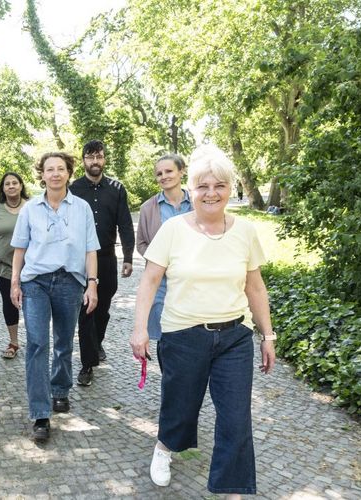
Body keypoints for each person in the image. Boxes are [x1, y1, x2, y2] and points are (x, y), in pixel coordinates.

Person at [130, 144, 277, 498]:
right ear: (191, 190)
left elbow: (255, 287)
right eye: (203, 187)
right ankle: (165, 449)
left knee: (236, 416)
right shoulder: (173, 230)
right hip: (183, 334)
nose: (211, 194)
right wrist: (139, 329)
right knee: (181, 405)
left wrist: (267, 335)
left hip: (234, 336)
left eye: (220, 186)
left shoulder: (245, 231)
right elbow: (149, 281)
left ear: (229, 189)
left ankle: (232, 487)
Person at [11, 152, 100, 442]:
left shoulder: (82, 208)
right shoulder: (30, 209)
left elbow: (90, 249)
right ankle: (40, 414)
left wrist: (92, 284)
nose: (55, 174)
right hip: (35, 281)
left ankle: (60, 389)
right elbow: (20, 249)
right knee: (37, 343)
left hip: (70, 281)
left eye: (61, 169)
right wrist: (15, 282)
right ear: (42, 174)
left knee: (63, 341)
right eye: (50, 169)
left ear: (69, 173)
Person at [69, 140, 135, 386]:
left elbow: (125, 224)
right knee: (86, 310)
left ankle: (96, 344)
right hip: (80, 259)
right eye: (90, 157)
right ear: (83, 160)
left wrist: (128, 257)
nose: (95, 161)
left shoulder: (117, 189)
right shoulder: (73, 188)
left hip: (107, 257)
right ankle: (87, 364)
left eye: (99, 156)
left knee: (102, 308)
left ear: (104, 159)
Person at [136, 154, 192, 357]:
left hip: (192, 280)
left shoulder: (198, 202)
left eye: (169, 171)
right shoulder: (148, 208)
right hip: (161, 282)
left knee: (191, 331)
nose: (164, 176)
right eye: (159, 173)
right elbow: (141, 243)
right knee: (164, 336)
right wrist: (159, 261)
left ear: (181, 171)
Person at [0, 172, 30, 359]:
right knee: (9, 302)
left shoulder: (31, 206)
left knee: (31, 304)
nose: (11, 186)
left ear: (21, 186)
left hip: (30, 267)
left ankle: (35, 341)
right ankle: (14, 342)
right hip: (2, 266)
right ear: (3, 188)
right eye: (7, 184)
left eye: (14, 183)